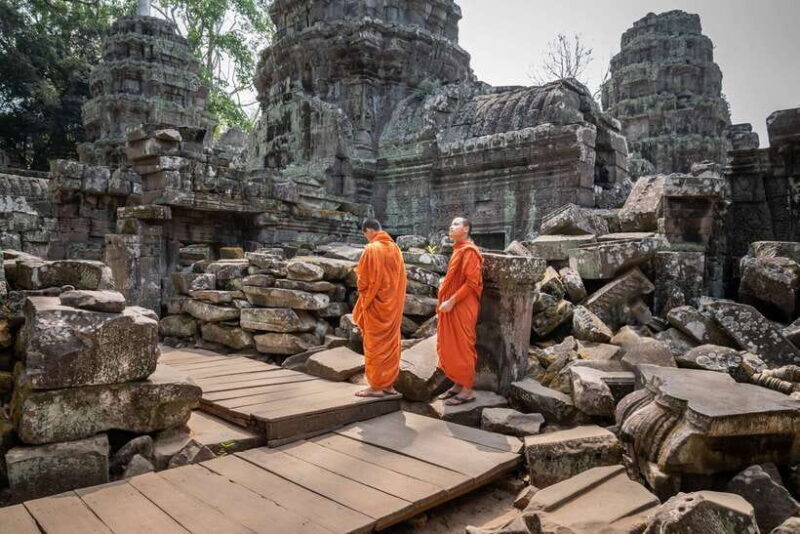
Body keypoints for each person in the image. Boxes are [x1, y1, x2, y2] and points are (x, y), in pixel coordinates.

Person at [352, 218, 407, 397]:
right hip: (393, 307)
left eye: (365, 235)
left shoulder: (371, 249)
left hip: (376, 306)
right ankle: (389, 385)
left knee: (375, 346)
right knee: (391, 346)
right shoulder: (396, 249)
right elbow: (401, 279)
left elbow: (363, 282)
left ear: (368, 230)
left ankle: (375, 387)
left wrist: (365, 294)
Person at [437, 217, 483, 405]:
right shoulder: (458, 250)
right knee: (452, 345)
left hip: (463, 306)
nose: (451, 226)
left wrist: (452, 301)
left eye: (456, 224)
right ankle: (458, 384)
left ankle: (468, 390)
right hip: (452, 304)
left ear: (466, 229)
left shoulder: (470, 252)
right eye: (451, 223)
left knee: (463, 346)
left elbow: (472, 283)